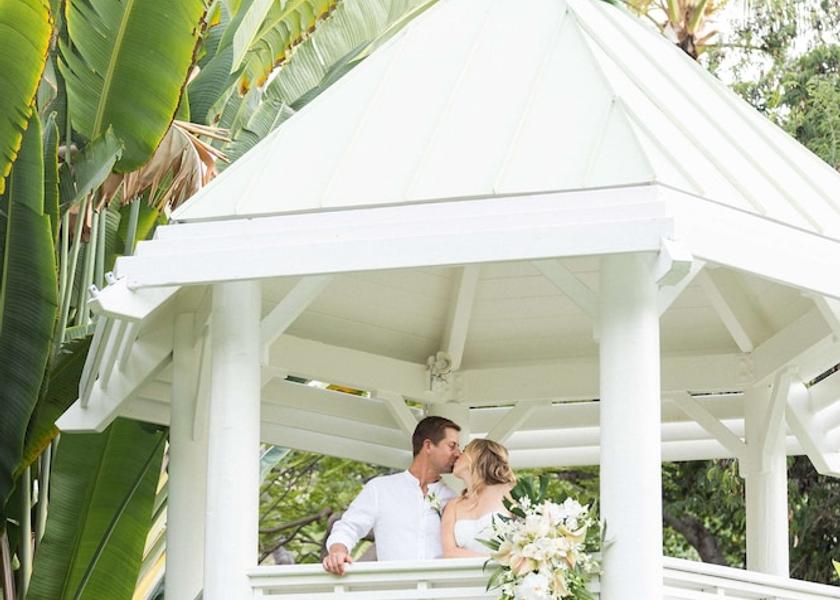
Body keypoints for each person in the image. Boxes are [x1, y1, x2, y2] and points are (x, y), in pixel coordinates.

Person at [322, 416, 462, 575]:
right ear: (428, 446)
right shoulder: (380, 489)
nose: (459, 454)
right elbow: (348, 526)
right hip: (393, 590)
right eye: (452, 446)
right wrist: (337, 551)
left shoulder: (454, 499)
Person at [441, 438, 516, 557]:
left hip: (502, 573)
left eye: (464, 450)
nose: (458, 455)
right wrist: (496, 560)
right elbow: (449, 552)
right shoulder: (452, 506)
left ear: (477, 455)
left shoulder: (505, 492)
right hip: (466, 574)